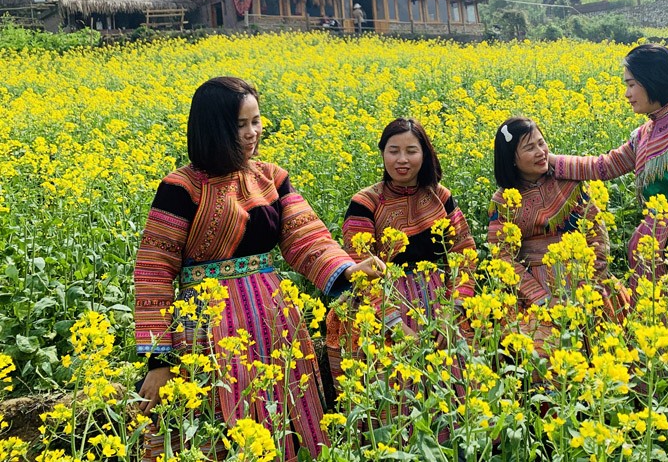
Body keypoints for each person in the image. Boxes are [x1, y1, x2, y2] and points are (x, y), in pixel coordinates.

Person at [134, 77, 384, 461]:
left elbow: (305, 237)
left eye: (256, 121)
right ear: (214, 127)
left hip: (271, 318)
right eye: (240, 125)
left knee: (281, 411)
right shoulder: (181, 188)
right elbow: (154, 271)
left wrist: (348, 269)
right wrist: (159, 360)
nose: (253, 133)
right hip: (205, 327)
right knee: (209, 422)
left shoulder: (270, 177)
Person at [549, 44, 668, 297]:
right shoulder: (645, 134)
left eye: (632, 84)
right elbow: (604, 166)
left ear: (652, 81)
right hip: (654, 247)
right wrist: (548, 161)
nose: (627, 93)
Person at [325, 118, 477, 378]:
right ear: (382, 153)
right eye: (393, 151)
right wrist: (396, 327)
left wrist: (451, 313)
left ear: (425, 154)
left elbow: (464, 254)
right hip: (380, 307)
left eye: (411, 151)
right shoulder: (366, 203)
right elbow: (362, 270)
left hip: (439, 306)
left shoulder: (440, 197)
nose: (402, 160)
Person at [488, 117, 628, 339]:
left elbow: (597, 237)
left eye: (541, 143)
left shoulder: (570, 182)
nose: (541, 152)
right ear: (511, 159)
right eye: (529, 147)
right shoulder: (503, 201)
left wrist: (589, 286)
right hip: (534, 291)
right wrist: (541, 298)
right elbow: (503, 257)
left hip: (585, 279)